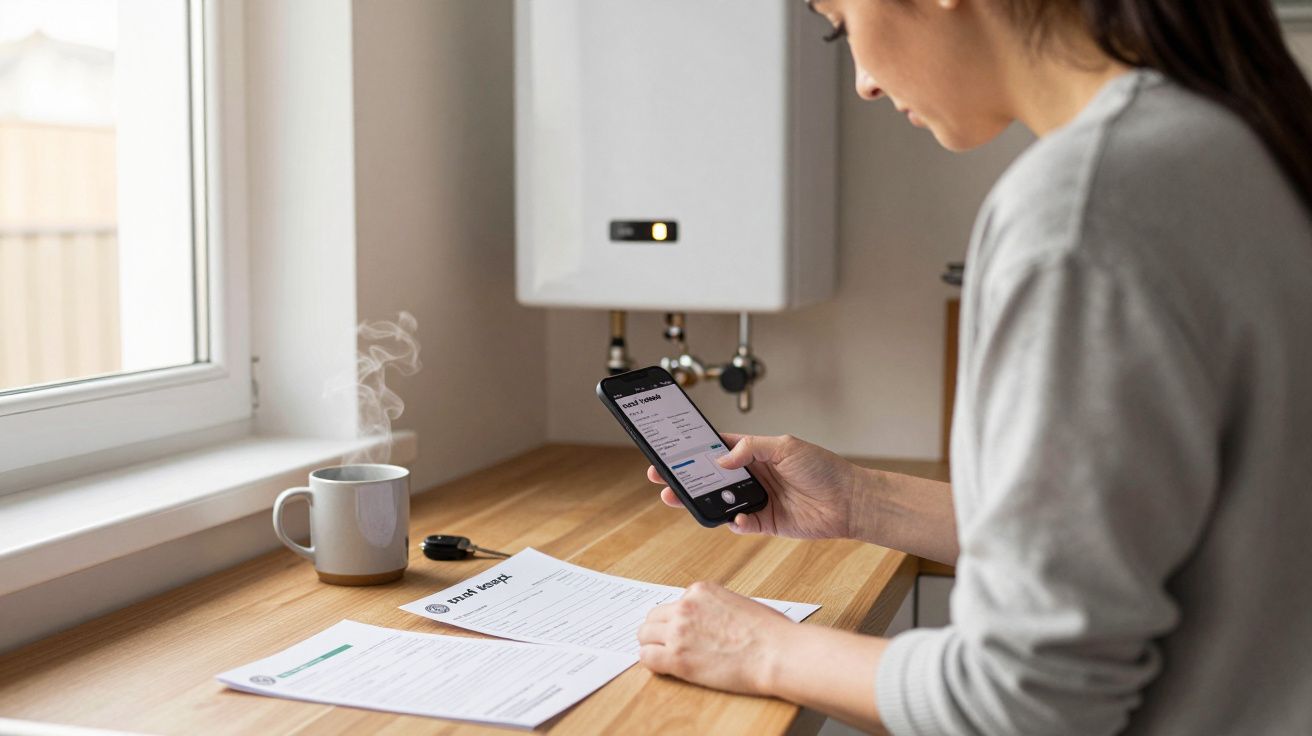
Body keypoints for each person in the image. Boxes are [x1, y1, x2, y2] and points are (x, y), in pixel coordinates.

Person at [634, 1, 1312, 734]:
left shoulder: (1083, 208)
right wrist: (860, 501)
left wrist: (762, 649)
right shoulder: (1233, 142)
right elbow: (1149, 538)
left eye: (839, 22)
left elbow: (1026, 701)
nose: (861, 80)